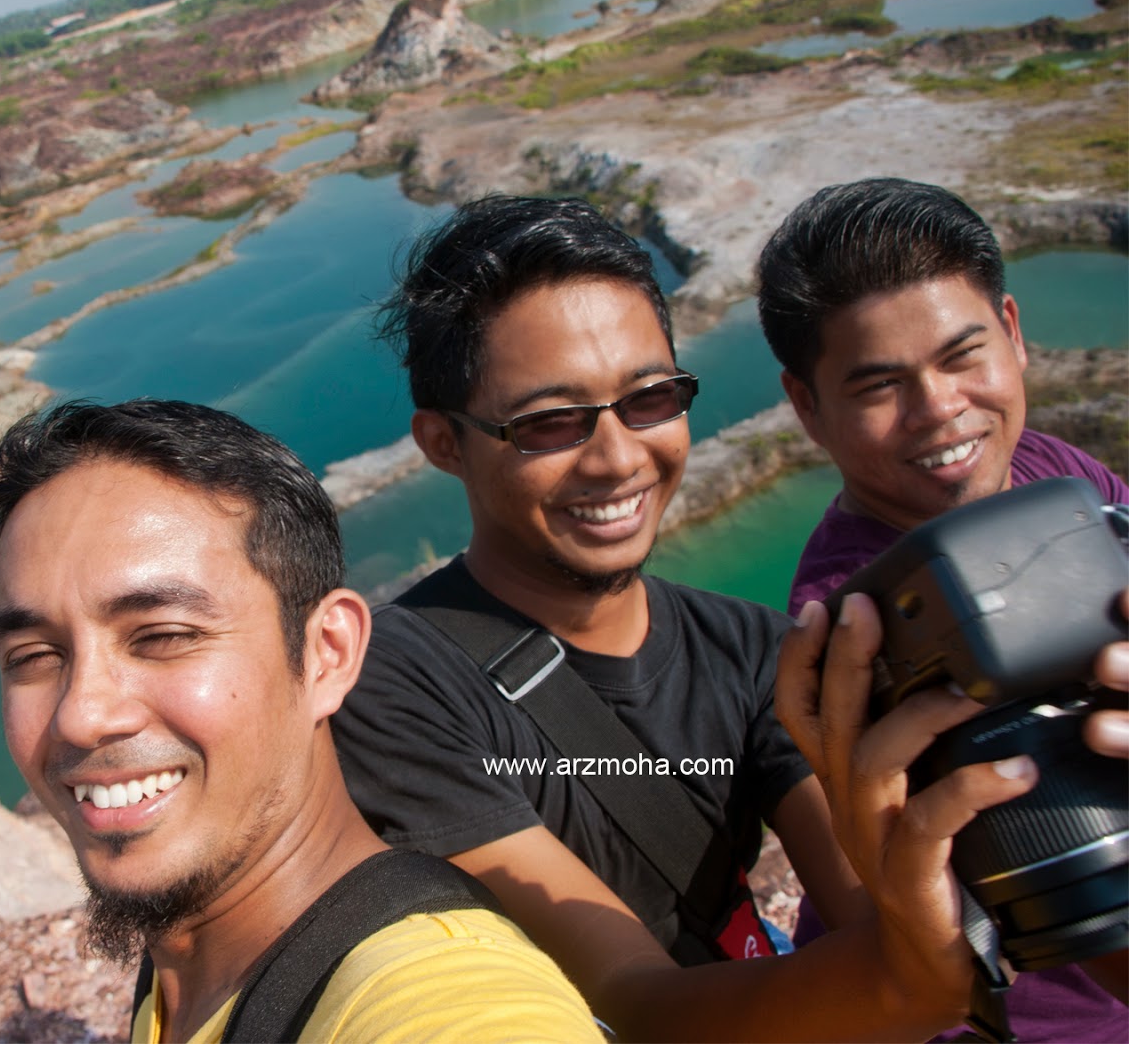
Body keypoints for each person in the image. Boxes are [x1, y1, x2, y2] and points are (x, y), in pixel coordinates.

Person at [331, 194, 1038, 1042]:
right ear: (444, 442)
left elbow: (866, 906)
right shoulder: (393, 684)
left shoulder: (756, 651)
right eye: (551, 421)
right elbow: (633, 997)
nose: (620, 456)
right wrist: (911, 979)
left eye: (651, 397)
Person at [0, 398, 601, 1044]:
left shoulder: (445, 998)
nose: (81, 714)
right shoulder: (191, 954)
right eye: (34, 656)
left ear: (328, 653)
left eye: (163, 635)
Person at [757, 176, 1129, 1039]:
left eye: (963, 355)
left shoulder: (1041, 467)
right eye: (881, 385)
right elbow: (1092, 908)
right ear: (807, 405)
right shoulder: (879, 620)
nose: (942, 412)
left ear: (1013, 331)